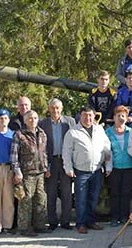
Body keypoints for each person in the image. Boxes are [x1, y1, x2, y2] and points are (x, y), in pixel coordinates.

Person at [63, 106, 111, 234]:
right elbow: (66, 152)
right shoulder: (73, 132)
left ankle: (91, 221)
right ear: (80, 116)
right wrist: (68, 168)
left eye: (90, 115)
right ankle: (81, 223)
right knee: (81, 199)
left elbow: (107, 146)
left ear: (94, 116)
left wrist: (108, 160)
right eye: (85, 115)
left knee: (93, 198)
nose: (88, 118)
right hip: (81, 171)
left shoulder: (99, 129)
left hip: (96, 170)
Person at [39, 99, 76, 231]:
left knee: (67, 192)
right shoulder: (42, 124)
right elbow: (41, 147)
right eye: (53, 108)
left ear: (62, 108)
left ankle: (66, 221)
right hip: (51, 161)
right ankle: (52, 221)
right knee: (51, 193)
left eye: (57, 108)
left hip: (66, 160)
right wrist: (45, 166)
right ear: (49, 109)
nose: (55, 110)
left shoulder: (70, 122)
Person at [10, 110, 49, 236]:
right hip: (26, 173)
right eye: (30, 118)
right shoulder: (19, 135)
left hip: (40, 172)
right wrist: (17, 172)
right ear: (25, 121)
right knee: (25, 201)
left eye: (35, 118)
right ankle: (24, 228)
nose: (33, 120)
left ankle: (40, 225)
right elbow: (14, 156)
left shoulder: (42, 133)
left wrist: (46, 167)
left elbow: (44, 153)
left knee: (40, 199)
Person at [105, 106, 132, 227]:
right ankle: (114, 217)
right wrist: (107, 167)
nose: (120, 118)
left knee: (126, 193)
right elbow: (106, 152)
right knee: (114, 193)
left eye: (123, 116)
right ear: (114, 117)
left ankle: (125, 217)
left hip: (128, 168)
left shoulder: (130, 131)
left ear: (126, 118)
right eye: (118, 115)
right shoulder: (107, 132)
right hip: (114, 169)